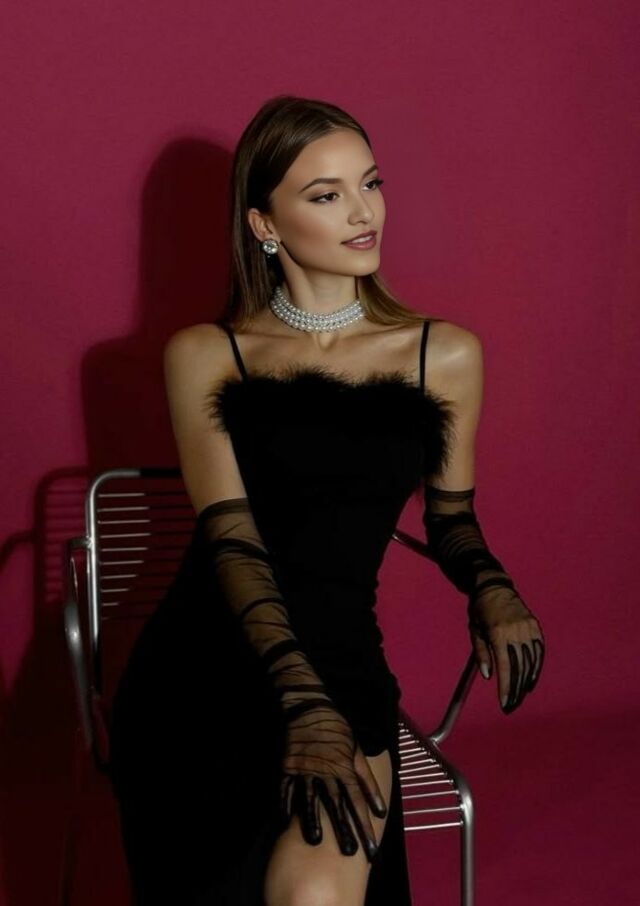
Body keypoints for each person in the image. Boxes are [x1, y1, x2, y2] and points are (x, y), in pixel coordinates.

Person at [107, 94, 545, 906]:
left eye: (370, 183)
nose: (363, 211)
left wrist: (491, 586)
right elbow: (232, 541)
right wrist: (300, 703)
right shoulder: (208, 354)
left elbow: (450, 517)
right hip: (204, 671)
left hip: (342, 661)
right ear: (264, 224)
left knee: (314, 894)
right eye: (326, 194)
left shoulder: (441, 353)